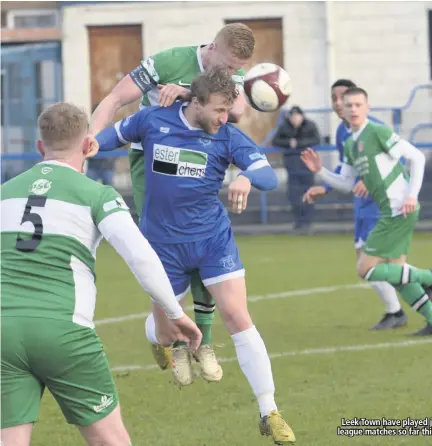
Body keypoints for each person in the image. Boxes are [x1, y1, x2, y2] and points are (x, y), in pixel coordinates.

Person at [96, 68, 296, 444]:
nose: (226, 118)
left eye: (229, 110)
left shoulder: (228, 137)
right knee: (164, 328)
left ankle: (269, 410)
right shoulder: (153, 120)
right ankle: (159, 340)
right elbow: (109, 138)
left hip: (211, 240)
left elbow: (267, 176)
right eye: (220, 110)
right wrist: (85, 145)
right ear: (197, 102)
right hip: (162, 246)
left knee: (238, 316)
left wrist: (247, 177)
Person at [0, 103, 202, 446]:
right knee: (111, 440)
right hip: (64, 330)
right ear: (87, 145)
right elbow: (140, 256)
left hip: (4, 331)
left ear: (39, 148)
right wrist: (174, 312)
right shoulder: (98, 195)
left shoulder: (4, 194)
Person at [91, 23, 255, 380]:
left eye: (236, 71)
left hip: (200, 159)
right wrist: (89, 141)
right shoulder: (168, 61)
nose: (231, 75)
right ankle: (171, 339)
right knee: (167, 246)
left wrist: (183, 92)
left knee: (203, 245)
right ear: (212, 47)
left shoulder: (229, 75)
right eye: (227, 67)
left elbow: (239, 111)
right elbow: (116, 99)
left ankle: (203, 342)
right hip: (155, 162)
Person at [301, 87, 432, 337]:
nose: (353, 109)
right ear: (343, 110)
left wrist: (411, 195)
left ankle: (431, 276)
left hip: (399, 210)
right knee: (395, 274)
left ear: (367, 107)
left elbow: (417, 157)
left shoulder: (378, 132)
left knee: (365, 268)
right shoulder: (350, 143)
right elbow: (348, 184)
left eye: (359, 104)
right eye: (349, 105)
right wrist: (321, 172)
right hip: (389, 212)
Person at [303, 79, 407, 330]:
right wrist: (325, 184)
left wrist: (372, 182)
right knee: (370, 262)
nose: (339, 103)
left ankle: (415, 295)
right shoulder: (343, 132)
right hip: (362, 204)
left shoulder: (374, 128)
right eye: (334, 99)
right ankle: (398, 310)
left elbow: (398, 159)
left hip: (382, 204)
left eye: (343, 98)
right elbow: (347, 168)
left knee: (375, 264)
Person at [272, 106, 320, 233]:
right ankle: (298, 221)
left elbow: (316, 140)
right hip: (292, 166)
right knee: (294, 194)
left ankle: (307, 221)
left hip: (307, 166)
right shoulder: (284, 127)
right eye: (292, 117)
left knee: (309, 192)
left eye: (297, 116)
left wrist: (299, 143)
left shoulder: (310, 126)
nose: (294, 119)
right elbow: (276, 141)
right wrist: (288, 142)